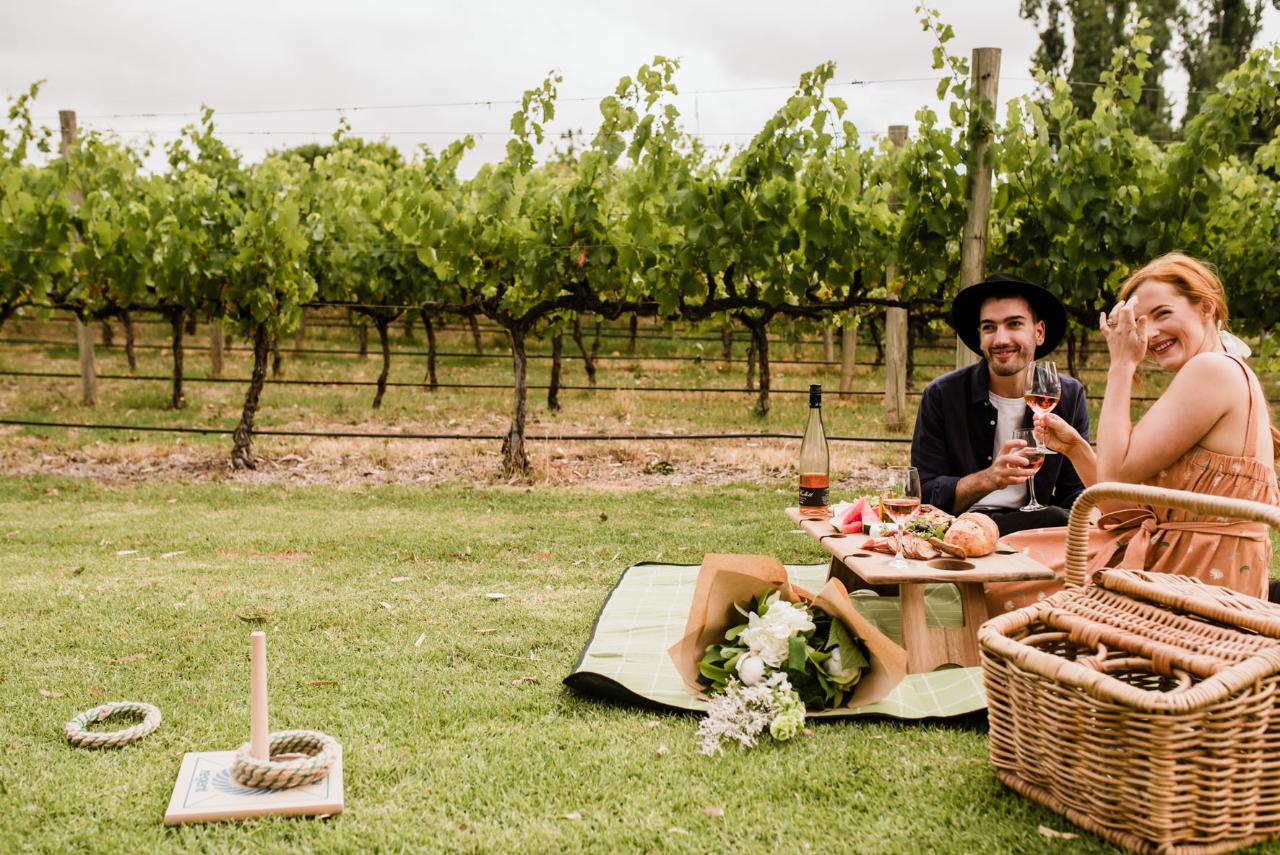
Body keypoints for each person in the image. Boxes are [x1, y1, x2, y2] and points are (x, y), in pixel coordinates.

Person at [992, 253, 1279, 612]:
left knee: (1002, 578)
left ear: (1205, 308)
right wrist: (1077, 449)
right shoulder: (1218, 372)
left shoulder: (1212, 370)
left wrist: (1121, 364)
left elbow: (1114, 477)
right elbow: (1125, 503)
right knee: (1013, 558)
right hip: (1191, 568)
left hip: (1194, 581)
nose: (1152, 332)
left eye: (1163, 313)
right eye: (1143, 320)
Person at [911, 273, 1090, 536]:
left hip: (1038, 528)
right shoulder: (941, 395)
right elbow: (924, 493)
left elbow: (1073, 492)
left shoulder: (1068, 395)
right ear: (980, 336)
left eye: (1014, 324)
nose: (1000, 339)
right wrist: (990, 478)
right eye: (989, 327)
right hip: (963, 530)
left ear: (1039, 332)